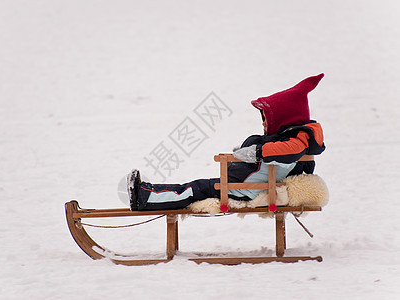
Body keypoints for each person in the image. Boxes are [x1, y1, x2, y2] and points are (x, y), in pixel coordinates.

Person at [127, 73, 326, 211]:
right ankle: (147, 193)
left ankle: (144, 198)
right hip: (247, 186)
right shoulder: (297, 136)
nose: (264, 124)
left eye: (266, 118)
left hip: (243, 190)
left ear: (285, 117)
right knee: (196, 187)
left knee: (195, 189)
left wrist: (256, 152)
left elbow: (291, 150)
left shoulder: (298, 139)